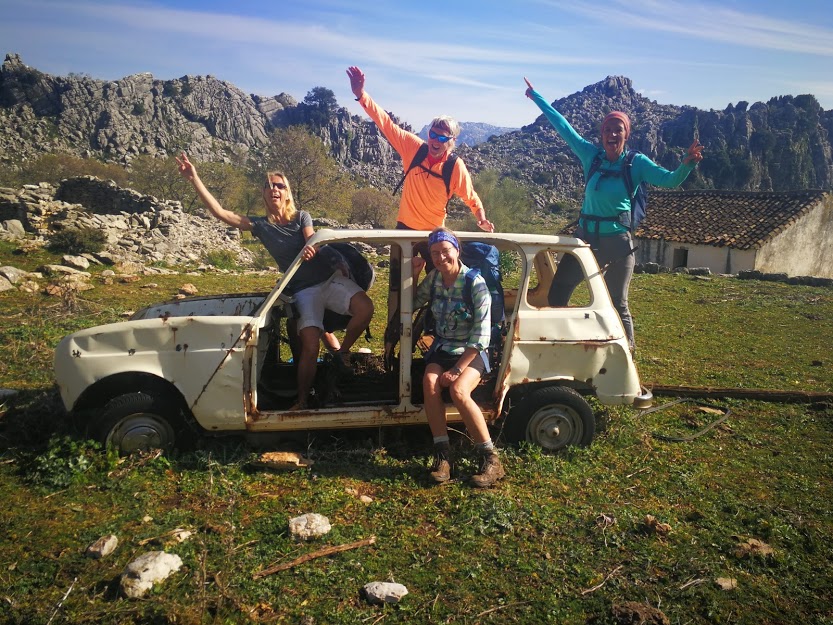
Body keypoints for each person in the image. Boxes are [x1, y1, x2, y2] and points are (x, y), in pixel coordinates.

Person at [176, 153, 374, 409]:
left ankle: (342, 353)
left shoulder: (302, 216)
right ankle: (302, 399)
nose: (274, 190)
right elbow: (222, 214)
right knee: (310, 346)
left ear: (287, 193)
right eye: (269, 186)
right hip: (303, 290)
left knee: (365, 308)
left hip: (329, 279)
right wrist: (194, 178)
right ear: (264, 195)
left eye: (279, 185)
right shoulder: (261, 225)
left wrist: (315, 249)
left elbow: (311, 239)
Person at [524, 78, 704, 352]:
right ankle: (556, 343)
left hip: (618, 244)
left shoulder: (636, 163)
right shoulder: (591, 156)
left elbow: (669, 180)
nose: (611, 134)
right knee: (559, 290)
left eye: (617, 129)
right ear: (601, 134)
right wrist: (536, 96)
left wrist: (686, 164)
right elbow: (563, 126)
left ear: (626, 134)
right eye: (607, 129)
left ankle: (626, 353)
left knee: (617, 302)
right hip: (584, 240)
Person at [347, 66, 495, 234]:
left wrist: (481, 219)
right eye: (432, 134)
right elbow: (386, 124)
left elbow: (471, 197)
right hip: (404, 229)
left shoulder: (454, 166)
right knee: (400, 262)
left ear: (452, 141)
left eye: (442, 138)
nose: (435, 140)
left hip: (434, 234)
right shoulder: (413, 148)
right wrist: (361, 95)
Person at [411, 227, 504, 488]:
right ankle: (443, 455)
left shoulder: (475, 282)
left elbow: (481, 336)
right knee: (429, 383)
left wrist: (457, 370)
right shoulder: (434, 279)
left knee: (459, 391)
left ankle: (490, 458)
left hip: (472, 351)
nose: (441, 258)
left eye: (445, 251)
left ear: (457, 251)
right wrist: (415, 274)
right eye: (435, 253)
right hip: (443, 347)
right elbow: (413, 303)